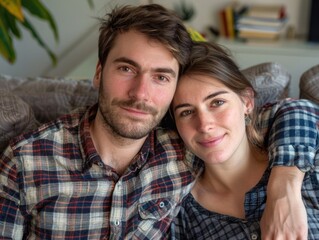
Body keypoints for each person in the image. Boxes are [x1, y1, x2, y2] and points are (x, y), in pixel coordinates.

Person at [0, 4, 312, 239]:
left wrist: (285, 184)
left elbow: (293, 110)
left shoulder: (184, 147)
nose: (141, 93)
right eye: (126, 69)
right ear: (98, 73)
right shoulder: (25, 161)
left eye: (161, 77)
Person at [170, 41, 319, 239]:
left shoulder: (309, 163)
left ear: (247, 102)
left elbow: (298, 107)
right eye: (186, 112)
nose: (204, 125)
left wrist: (285, 186)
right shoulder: (182, 214)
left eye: (217, 102)